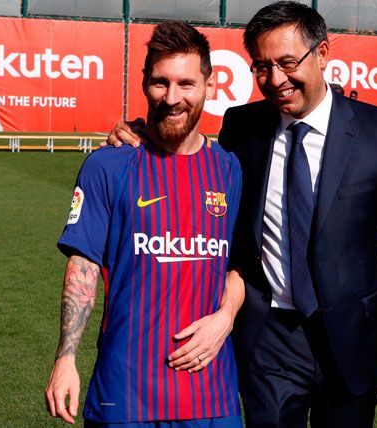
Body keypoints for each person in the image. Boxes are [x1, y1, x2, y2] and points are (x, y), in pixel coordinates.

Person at [108, 2, 377, 425]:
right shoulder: (243, 127)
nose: (275, 80)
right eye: (262, 67)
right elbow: (187, 148)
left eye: (287, 62)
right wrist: (141, 132)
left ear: (323, 54)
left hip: (352, 336)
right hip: (268, 339)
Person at [45, 21, 245, 427]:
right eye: (160, 83)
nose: (172, 98)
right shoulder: (108, 164)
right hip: (125, 392)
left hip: (212, 393)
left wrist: (225, 316)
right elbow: (83, 265)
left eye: (186, 83)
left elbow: (239, 263)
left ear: (209, 85)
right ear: (143, 84)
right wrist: (65, 358)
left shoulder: (229, 169)